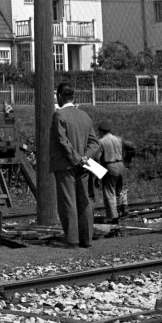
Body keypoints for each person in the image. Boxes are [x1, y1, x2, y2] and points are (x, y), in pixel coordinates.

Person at [49, 82, 99, 248]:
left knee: (68, 201)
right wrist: (85, 158)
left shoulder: (59, 116)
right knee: (84, 200)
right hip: (84, 165)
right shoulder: (85, 116)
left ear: (60, 96)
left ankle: (72, 239)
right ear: (73, 96)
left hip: (66, 165)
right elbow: (95, 143)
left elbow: (62, 141)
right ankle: (86, 239)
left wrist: (76, 158)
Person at [95, 121, 128, 224]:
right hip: (121, 165)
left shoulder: (101, 142)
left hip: (109, 166)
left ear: (101, 131)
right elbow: (131, 148)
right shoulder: (118, 139)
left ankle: (112, 215)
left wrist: (97, 175)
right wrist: (127, 161)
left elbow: (97, 158)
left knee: (109, 192)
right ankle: (124, 207)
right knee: (121, 189)